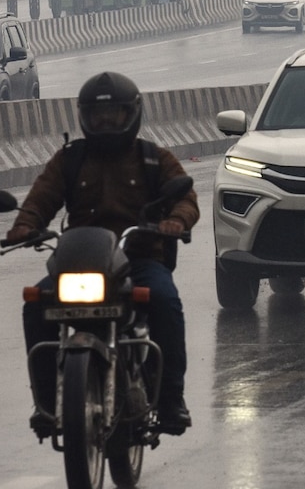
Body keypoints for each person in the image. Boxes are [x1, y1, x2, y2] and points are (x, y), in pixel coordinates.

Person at [10, 72, 199, 438]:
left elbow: (185, 198)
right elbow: (41, 198)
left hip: (139, 259)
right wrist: (25, 225)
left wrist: (176, 220)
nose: (106, 122)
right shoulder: (70, 159)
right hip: (81, 262)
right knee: (36, 303)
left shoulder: (153, 158)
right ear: (85, 117)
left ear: (132, 114)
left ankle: (171, 400)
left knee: (165, 301)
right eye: (98, 116)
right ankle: (46, 403)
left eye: (114, 114)